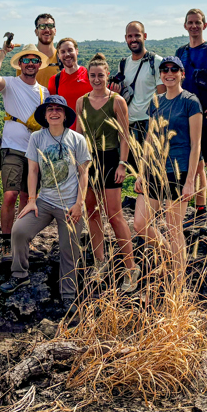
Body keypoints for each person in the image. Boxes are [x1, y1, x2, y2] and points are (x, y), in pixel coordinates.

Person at [0, 95, 90, 307]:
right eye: (50, 109)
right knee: (19, 230)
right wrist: (32, 199)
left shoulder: (77, 139)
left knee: (69, 249)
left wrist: (79, 204)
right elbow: (32, 170)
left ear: (65, 114)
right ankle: (20, 274)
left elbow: (83, 174)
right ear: (45, 114)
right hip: (45, 201)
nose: (54, 112)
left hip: (69, 204)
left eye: (59, 109)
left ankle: (68, 292)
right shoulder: (37, 138)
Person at [76, 54, 139, 292]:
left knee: (114, 215)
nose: (96, 79)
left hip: (111, 158)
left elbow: (125, 135)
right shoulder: (82, 101)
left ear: (106, 74)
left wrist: (123, 164)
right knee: (92, 212)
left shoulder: (117, 101)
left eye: (100, 75)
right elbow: (79, 136)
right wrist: (79, 164)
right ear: (88, 76)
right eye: (92, 75)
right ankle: (100, 261)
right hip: (89, 161)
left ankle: (131, 267)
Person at [134, 57, 201, 269]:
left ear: (182, 73)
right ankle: (169, 256)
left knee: (174, 228)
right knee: (140, 223)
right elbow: (148, 139)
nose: (169, 73)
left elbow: (196, 144)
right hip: (154, 170)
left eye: (174, 69)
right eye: (165, 69)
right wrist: (141, 172)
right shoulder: (156, 101)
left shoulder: (191, 102)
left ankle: (178, 281)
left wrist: (190, 181)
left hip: (178, 171)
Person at [0, 41, 49, 254]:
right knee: (10, 195)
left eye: (34, 60)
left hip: (34, 151)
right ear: (20, 64)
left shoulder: (44, 91)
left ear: (39, 65)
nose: (30, 64)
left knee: (27, 196)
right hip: (12, 147)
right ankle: (5, 241)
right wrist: (2, 52)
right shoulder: (11, 83)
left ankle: (20, 238)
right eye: (26, 60)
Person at [176, 9, 207, 225]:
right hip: (186, 115)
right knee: (196, 164)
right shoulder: (181, 52)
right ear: (185, 26)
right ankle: (201, 208)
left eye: (198, 22)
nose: (194, 26)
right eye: (190, 22)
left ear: (204, 25)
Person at [111, 21, 164, 150]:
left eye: (137, 35)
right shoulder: (123, 64)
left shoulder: (156, 62)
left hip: (149, 125)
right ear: (125, 38)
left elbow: (162, 97)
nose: (133, 39)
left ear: (144, 36)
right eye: (130, 36)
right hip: (128, 124)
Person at [47, 37, 91, 129]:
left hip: (92, 134)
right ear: (58, 55)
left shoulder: (90, 75)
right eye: (62, 52)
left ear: (77, 51)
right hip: (66, 136)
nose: (67, 54)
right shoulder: (55, 80)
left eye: (70, 50)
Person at [20, 13, 60, 86]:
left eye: (50, 26)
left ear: (55, 31)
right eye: (42, 26)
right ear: (36, 32)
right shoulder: (26, 61)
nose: (47, 30)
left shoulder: (62, 59)